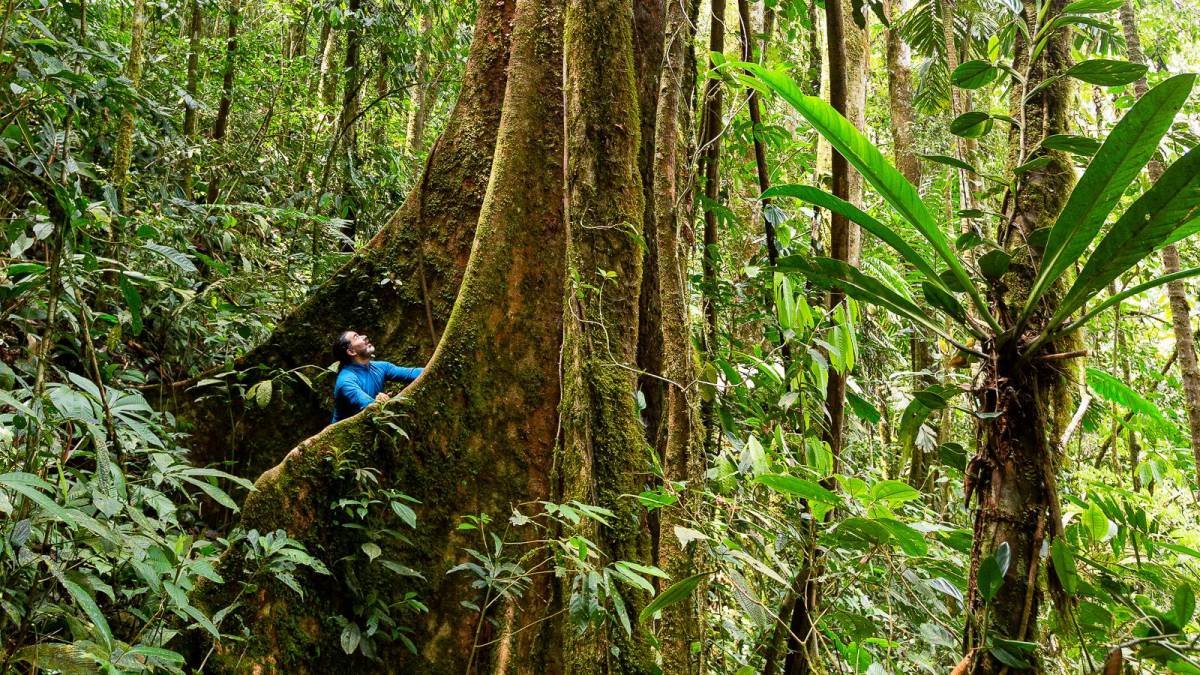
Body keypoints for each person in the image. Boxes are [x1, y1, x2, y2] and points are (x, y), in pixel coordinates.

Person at [329, 330, 424, 423]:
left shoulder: (381, 367)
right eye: (356, 337)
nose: (364, 336)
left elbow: (411, 373)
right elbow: (368, 405)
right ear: (351, 351)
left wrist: (438, 365)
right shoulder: (346, 380)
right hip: (347, 436)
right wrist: (383, 402)